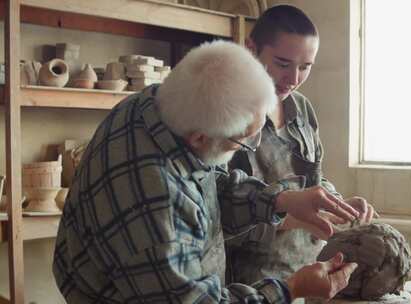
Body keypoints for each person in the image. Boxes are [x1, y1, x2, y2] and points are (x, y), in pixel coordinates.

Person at [52, 40, 361, 304]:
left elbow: (208, 183)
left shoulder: (155, 104)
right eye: (242, 142)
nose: (246, 147)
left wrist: (281, 201)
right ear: (199, 138)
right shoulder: (158, 208)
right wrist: (292, 288)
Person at [225, 4, 377, 288]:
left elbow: (314, 180)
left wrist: (337, 203)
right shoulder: (226, 117)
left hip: (310, 275)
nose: (293, 79)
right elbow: (214, 216)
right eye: (283, 64)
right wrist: (290, 217)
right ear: (250, 48)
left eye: (305, 67)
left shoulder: (302, 109)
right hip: (250, 285)